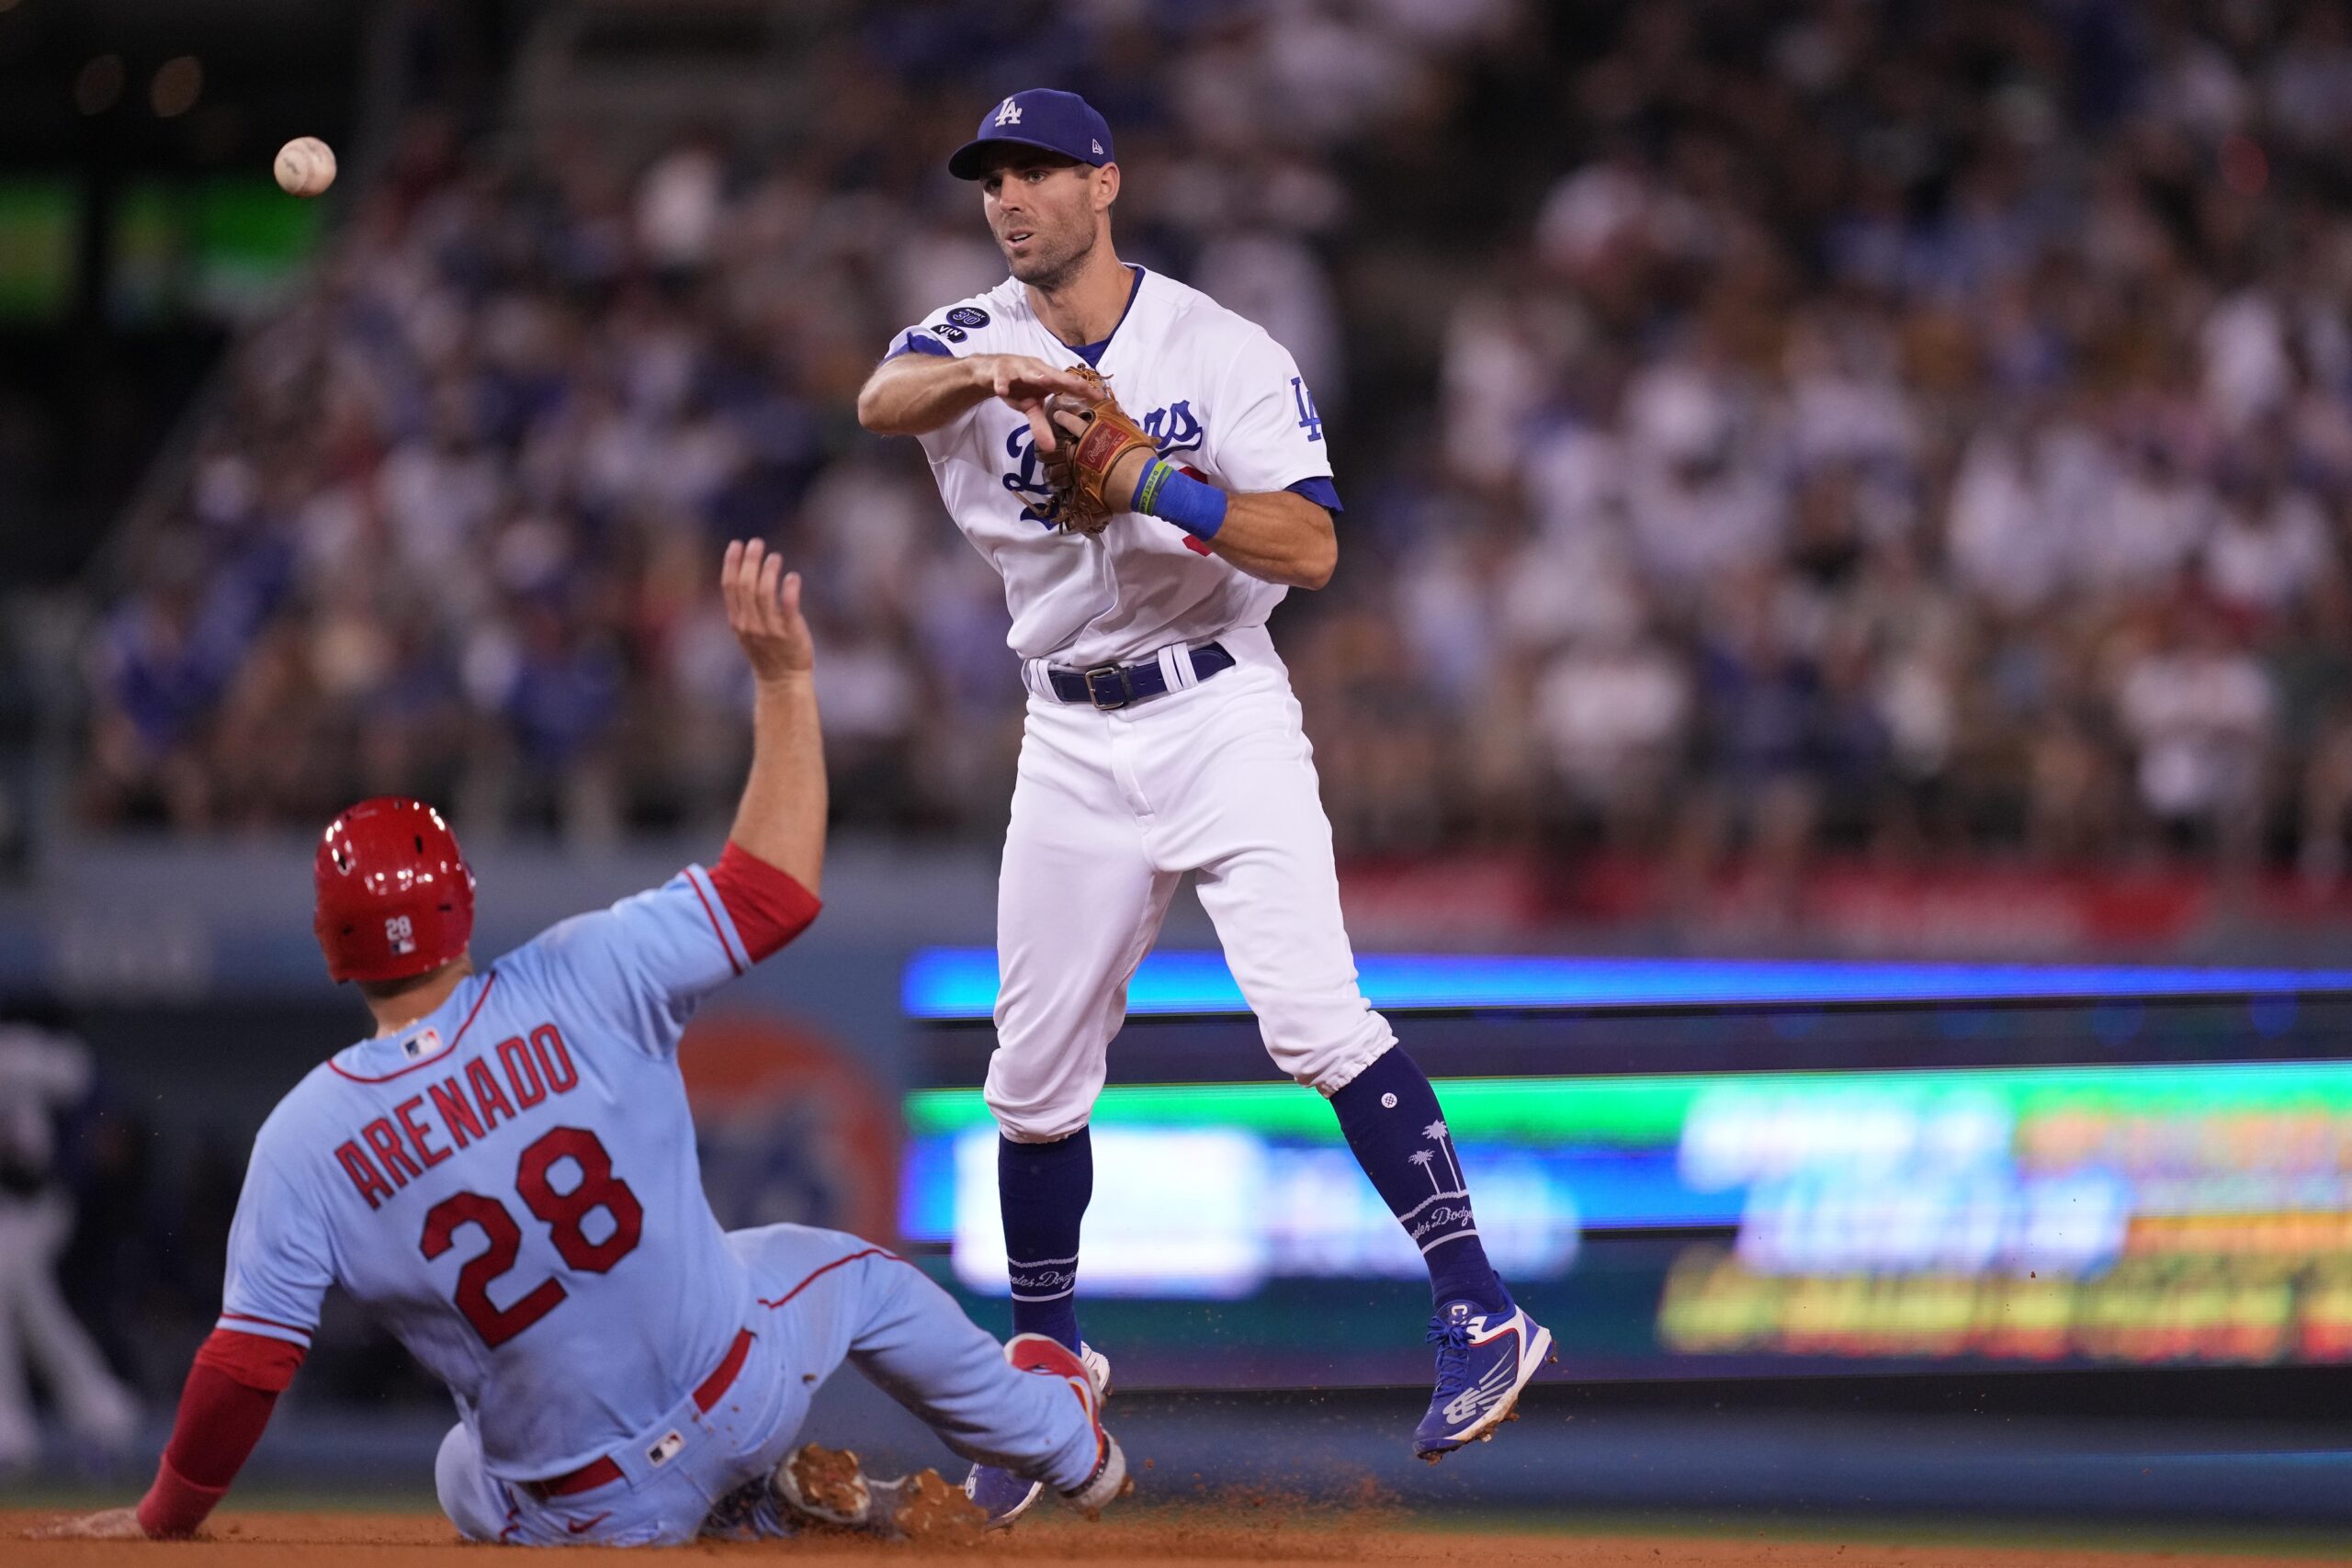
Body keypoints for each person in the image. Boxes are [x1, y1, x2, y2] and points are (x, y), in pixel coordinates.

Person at [40, 541, 1125, 1546]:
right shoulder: (581, 970)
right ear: (462, 905)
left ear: (334, 950)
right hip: (738, 1399)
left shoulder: (306, 1136)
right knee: (842, 1271)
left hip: (594, 1512)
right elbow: (774, 892)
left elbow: (247, 1367)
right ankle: (1068, 1446)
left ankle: (745, 1517)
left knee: (463, 1469)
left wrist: (167, 1516)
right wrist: (787, 687)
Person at [856, 89, 1552, 1525]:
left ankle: (1479, 1304)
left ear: (1105, 182)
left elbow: (1311, 544)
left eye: (1040, 170)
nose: (1012, 197)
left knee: (1314, 1016)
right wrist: (995, 382)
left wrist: (1163, 480)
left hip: (1221, 706)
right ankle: (1047, 1361)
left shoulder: (1220, 347)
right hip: (1067, 732)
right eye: (994, 176)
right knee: (1031, 1072)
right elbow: (879, 401)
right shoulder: (964, 336)